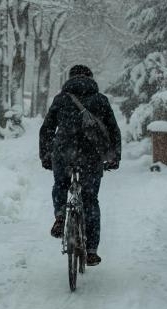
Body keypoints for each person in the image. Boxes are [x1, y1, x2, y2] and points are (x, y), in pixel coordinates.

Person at [39, 64, 121, 266]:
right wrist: (114, 156)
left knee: (60, 184)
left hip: (64, 153)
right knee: (90, 200)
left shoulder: (61, 99)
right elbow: (112, 129)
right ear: (91, 79)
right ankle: (91, 250)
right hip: (91, 158)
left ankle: (60, 216)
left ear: (70, 79)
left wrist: (46, 155)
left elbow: (47, 129)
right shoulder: (100, 100)